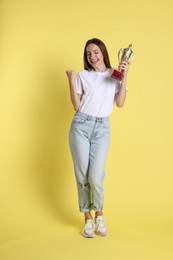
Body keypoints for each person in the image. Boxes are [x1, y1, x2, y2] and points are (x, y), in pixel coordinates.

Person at [66, 38, 130, 238]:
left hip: (102, 128)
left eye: (95, 52)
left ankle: (99, 214)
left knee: (95, 176)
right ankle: (88, 219)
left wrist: (125, 75)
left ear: (103, 52)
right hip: (80, 126)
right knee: (82, 175)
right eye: (88, 54)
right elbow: (77, 106)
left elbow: (119, 103)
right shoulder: (83, 75)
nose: (92, 57)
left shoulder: (114, 74)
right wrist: (70, 79)